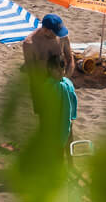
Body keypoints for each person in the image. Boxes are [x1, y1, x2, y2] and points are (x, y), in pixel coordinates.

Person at [21, 14, 77, 146]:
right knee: (47, 126)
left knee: (68, 123)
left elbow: (70, 58)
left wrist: (65, 78)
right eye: (54, 33)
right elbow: (32, 73)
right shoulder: (30, 44)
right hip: (43, 87)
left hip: (62, 84)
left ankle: (70, 160)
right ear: (45, 29)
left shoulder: (62, 36)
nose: (57, 35)